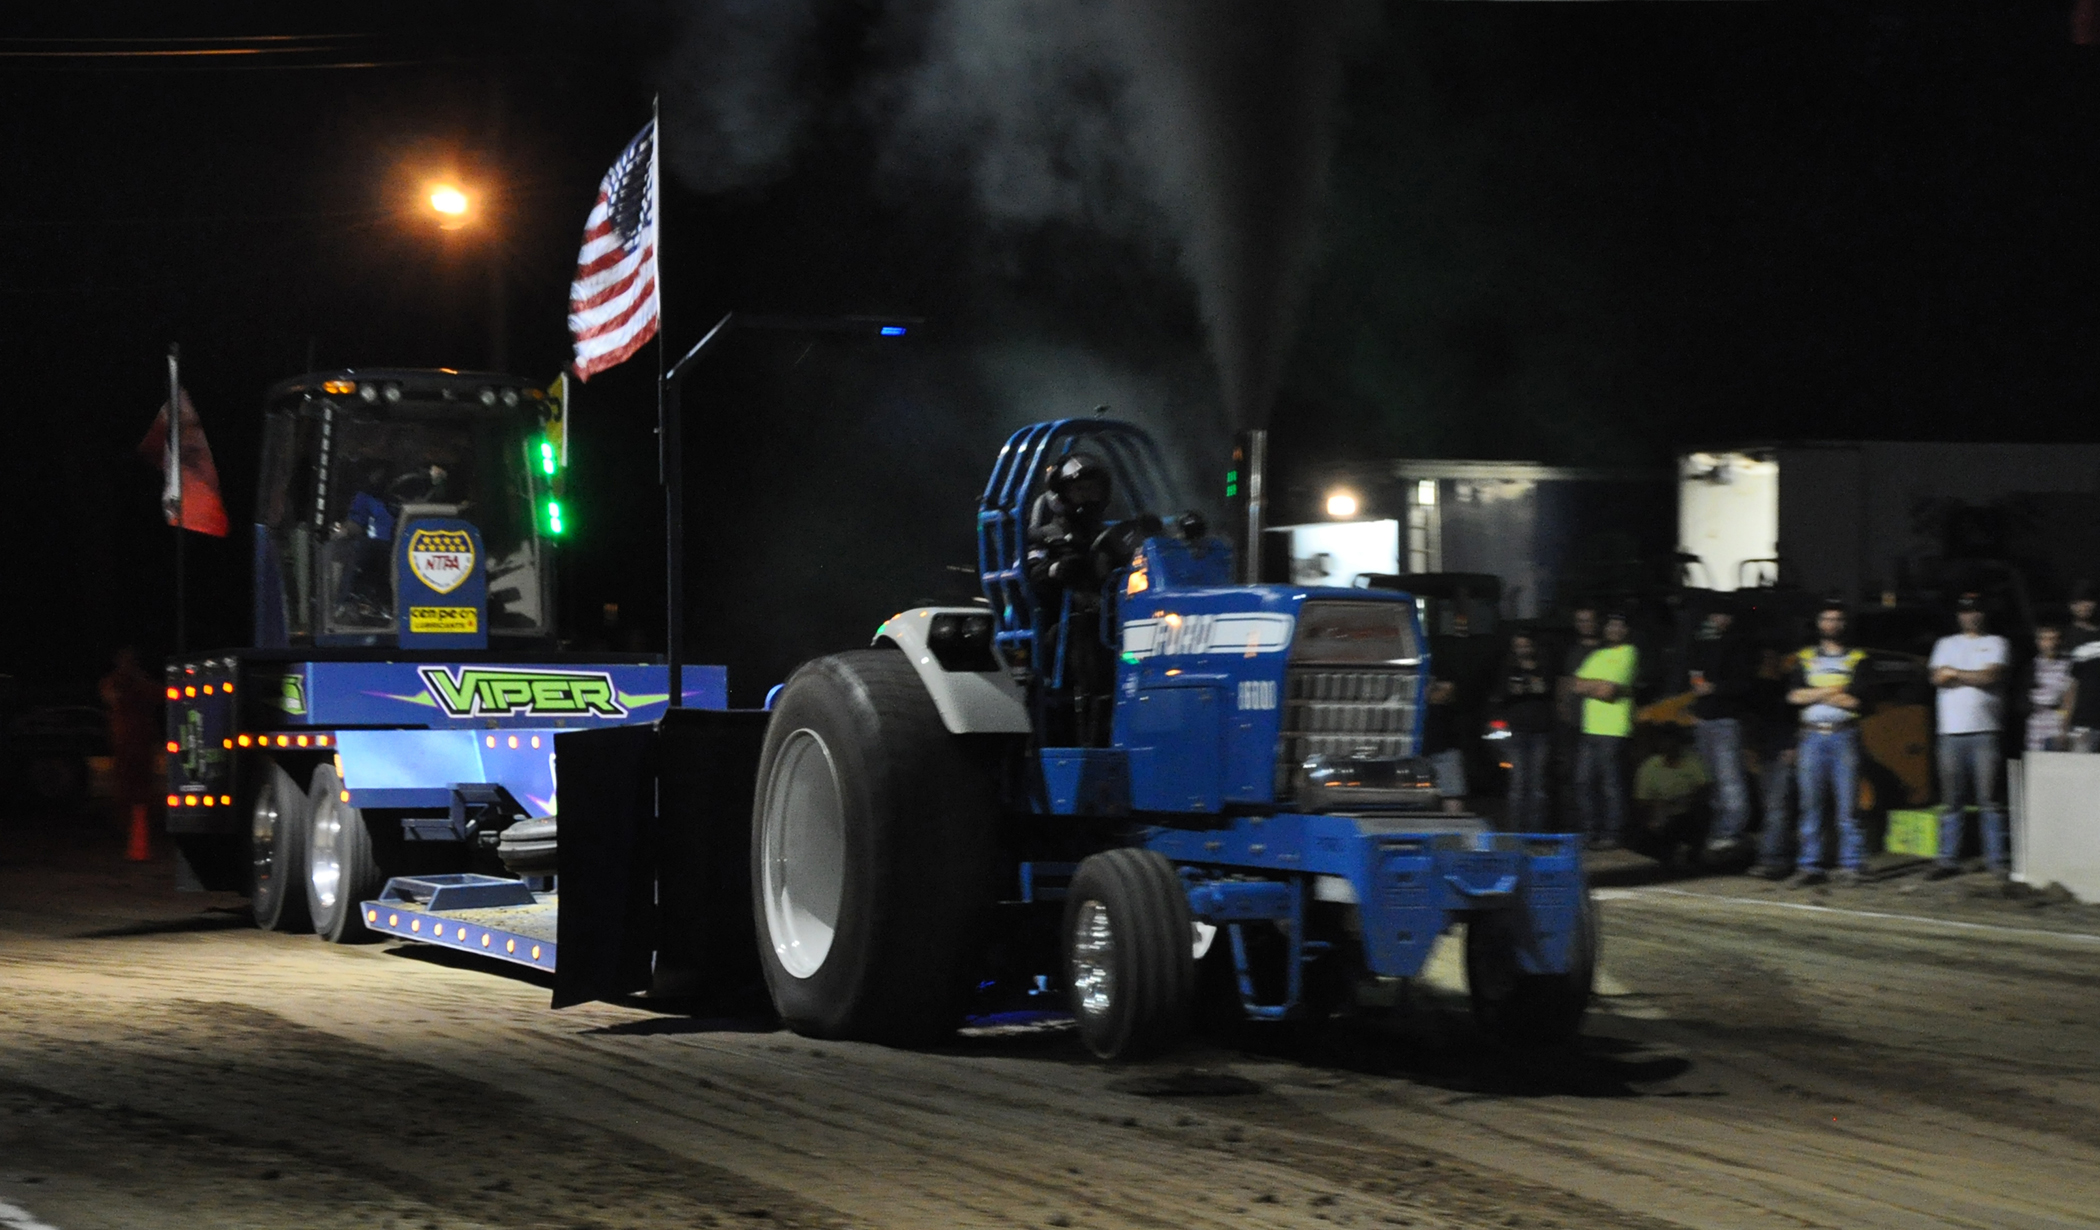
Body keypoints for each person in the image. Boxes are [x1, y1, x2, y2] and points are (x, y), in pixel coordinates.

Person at [1025, 453, 1117, 745]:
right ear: (1061, 495)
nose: (1088, 497)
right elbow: (1032, 574)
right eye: (1080, 490)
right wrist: (1056, 570)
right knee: (1084, 621)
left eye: (1093, 489)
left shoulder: (1112, 535)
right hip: (1060, 627)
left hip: (1113, 618)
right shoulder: (1045, 535)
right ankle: (1094, 720)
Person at [1926, 594, 2010, 879]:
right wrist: (1973, 675)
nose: (1970, 616)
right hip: (1950, 733)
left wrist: (1954, 673)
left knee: (1990, 800)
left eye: (1975, 610)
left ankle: (1996, 861)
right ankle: (1947, 860)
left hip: (1986, 731)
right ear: (1958, 615)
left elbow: (1991, 677)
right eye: (1965, 611)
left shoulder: (1997, 643)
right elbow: (1936, 678)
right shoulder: (1944, 644)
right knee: (1951, 800)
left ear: (1983, 614)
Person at [1784, 601, 1867, 888]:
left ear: (1844, 624)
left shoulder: (1858, 658)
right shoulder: (1804, 657)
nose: (1831, 624)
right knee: (1811, 806)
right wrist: (1834, 691)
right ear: (1819, 623)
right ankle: (1810, 866)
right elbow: (1793, 696)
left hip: (1845, 736)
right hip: (1811, 737)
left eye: (1836, 619)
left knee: (1848, 807)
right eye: (1827, 619)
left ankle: (1852, 865)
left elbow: (1857, 701)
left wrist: (1814, 693)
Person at [1687, 598, 1755, 859]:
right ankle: (1718, 835)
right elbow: (1694, 672)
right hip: (1704, 720)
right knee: (1713, 782)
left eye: (1722, 615)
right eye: (1714, 615)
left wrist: (1713, 687)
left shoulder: (1739, 644)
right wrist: (1697, 699)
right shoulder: (1702, 641)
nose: (1717, 620)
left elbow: (1745, 684)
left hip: (1726, 721)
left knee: (1730, 781)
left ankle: (1731, 832)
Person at [1571, 610, 1638, 850]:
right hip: (1590, 728)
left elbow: (1608, 691)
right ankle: (1591, 832)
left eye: (1619, 626)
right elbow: (1575, 685)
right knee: (1583, 782)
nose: (1613, 629)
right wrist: (1598, 685)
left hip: (1614, 730)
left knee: (1610, 785)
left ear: (1626, 630)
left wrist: (1593, 685)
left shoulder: (1629, 653)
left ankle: (1613, 834)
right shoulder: (1597, 654)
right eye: (1611, 625)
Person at [1746, 645, 1800, 878]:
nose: (1769, 663)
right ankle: (1781, 858)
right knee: (1774, 809)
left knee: (1777, 808)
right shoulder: (1757, 688)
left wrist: (1794, 746)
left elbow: (1798, 719)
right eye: (1766, 659)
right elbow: (1752, 721)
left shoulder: (1787, 686)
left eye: (1772, 657)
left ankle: (1772, 860)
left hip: (1782, 754)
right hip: (1765, 756)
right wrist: (1750, 750)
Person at [1492, 631, 1555, 830]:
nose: (1522, 650)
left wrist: (1534, 687)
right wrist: (1514, 690)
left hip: (1541, 733)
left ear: (1533, 646)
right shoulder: (1508, 669)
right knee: (1517, 784)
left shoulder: (1544, 668)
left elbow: (1549, 691)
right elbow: (1499, 695)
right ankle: (1516, 832)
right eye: (1518, 646)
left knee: (1538, 785)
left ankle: (1536, 832)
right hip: (1516, 733)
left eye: (1525, 645)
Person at [1633, 725, 1712, 867]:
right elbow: (1642, 801)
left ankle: (1694, 856)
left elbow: (1705, 788)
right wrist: (1654, 815)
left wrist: (1684, 801)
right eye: (1666, 742)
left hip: (1686, 813)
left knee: (1703, 813)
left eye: (1673, 741)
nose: (1669, 746)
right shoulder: (1650, 766)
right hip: (1662, 816)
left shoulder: (1691, 761)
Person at [1555, 606, 1604, 831]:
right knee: (1576, 778)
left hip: (1600, 724)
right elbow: (1564, 682)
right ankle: (1581, 826)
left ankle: (1599, 828)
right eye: (1580, 621)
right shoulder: (1572, 651)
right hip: (1574, 724)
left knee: (1599, 779)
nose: (1585, 625)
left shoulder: (1605, 650)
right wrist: (1562, 708)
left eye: (1588, 620)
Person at [2019, 624, 2074, 752]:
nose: (2050, 644)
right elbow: (2023, 697)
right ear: (2038, 642)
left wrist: (2064, 727)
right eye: (2045, 639)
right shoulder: (2031, 666)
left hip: (2058, 725)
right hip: (2035, 727)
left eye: (2054, 639)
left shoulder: (2069, 665)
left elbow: (2069, 697)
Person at [1423, 677, 1467, 813]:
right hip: (1421, 750)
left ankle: (1453, 824)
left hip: (1445, 749)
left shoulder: (1447, 709)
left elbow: (1448, 688)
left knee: (1452, 794)